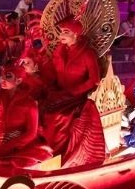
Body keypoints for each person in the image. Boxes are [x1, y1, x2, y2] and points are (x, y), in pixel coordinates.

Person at [42, 17, 106, 167]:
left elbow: (94, 79)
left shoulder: (87, 54)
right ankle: (45, 151)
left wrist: (75, 91)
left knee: (58, 116)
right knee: (41, 108)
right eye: (60, 32)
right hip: (59, 94)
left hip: (77, 97)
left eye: (66, 32)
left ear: (75, 34)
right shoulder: (61, 51)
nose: (61, 35)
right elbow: (54, 71)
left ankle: (60, 154)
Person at [0, 63, 52, 171]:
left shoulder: (29, 103)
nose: (2, 79)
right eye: (1, 76)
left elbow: (31, 133)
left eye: (8, 76)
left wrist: (8, 146)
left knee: (5, 166)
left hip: (20, 145)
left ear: (19, 81)